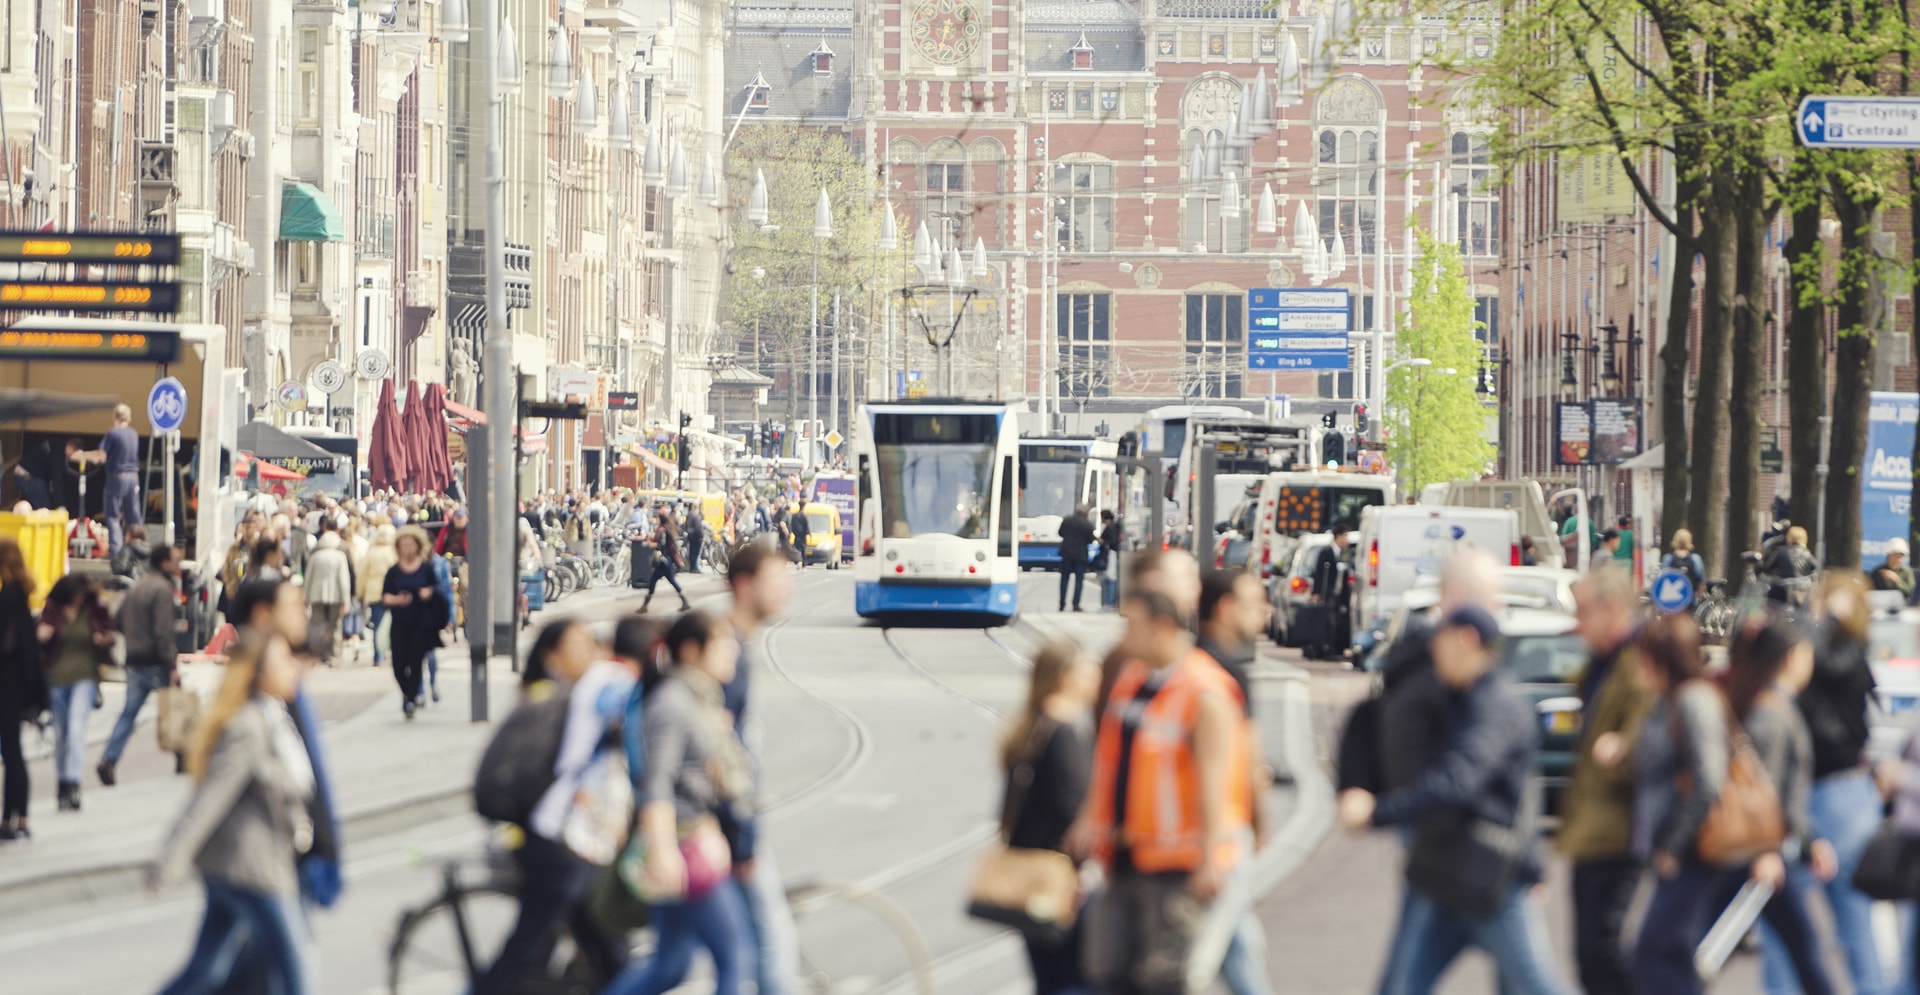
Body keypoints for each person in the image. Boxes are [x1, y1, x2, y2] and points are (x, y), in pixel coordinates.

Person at [1337, 605, 1573, 995]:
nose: (1434, 654)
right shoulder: (1467, 699)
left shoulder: (1497, 706)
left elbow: (1458, 781)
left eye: (1440, 643)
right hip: (1448, 870)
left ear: (1466, 640)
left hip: (1490, 879)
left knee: (1534, 987)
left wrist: (1377, 813)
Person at [1067, 563, 1248, 995]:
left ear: (1163, 627)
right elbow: (1110, 757)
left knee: (1164, 979)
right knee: (1107, 970)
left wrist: (1208, 857)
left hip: (1176, 865)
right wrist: (1089, 817)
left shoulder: (1205, 691)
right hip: (1124, 853)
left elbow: (1215, 781)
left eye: (1132, 625)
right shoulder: (1132, 679)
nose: (1124, 636)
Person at [150, 630, 317, 995]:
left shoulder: (276, 719)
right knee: (297, 968)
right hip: (251, 870)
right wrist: (169, 860)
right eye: (282, 662)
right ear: (259, 675)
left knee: (206, 971)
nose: (293, 668)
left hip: (243, 866)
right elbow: (209, 798)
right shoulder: (248, 727)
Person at [602, 612, 758, 995]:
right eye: (721, 644)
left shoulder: (696, 698)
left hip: (686, 839)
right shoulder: (674, 704)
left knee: (670, 966)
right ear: (691, 651)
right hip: (683, 844)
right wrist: (663, 850)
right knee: (736, 956)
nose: (732, 652)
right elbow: (657, 783)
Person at [477, 619, 633, 993]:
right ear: (552, 656)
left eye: (590, 646)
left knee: (598, 942)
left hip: (559, 837)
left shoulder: (569, 696)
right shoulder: (552, 700)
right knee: (533, 944)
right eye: (577, 647)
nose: (589, 654)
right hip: (550, 836)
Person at [1766, 571, 1899, 995]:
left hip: (1833, 793)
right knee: (1831, 921)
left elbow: (1823, 665)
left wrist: (1826, 621)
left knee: (1803, 919)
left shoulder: (1843, 654)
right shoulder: (1839, 651)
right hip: (1835, 791)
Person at [1627, 613, 1750, 994]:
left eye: (1644, 657)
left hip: (1696, 850)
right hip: (1681, 848)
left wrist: (1673, 846)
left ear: (1662, 658)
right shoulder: (1666, 701)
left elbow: (1708, 780)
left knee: (1653, 952)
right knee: (1673, 952)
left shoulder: (1695, 700)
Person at [1722, 618, 1839, 995]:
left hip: (1767, 852)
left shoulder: (1768, 706)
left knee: (1803, 950)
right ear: (1791, 659)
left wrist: (1808, 842)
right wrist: (1768, 850)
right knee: (1806, 952)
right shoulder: (1771, 715)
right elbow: (1766, 792)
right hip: (1764, 854)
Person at [1557, 565, 1654, 995]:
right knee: (1591, 955)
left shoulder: (1637, 666)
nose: (1576, 626)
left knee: (1602, 952)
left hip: (1619, 831)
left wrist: (1619, 752)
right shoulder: (1604, 664)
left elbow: (1647, 742)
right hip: (1595, 830)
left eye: (1583, 613)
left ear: (1612, 609)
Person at [720, 542, 800, 995]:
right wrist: (742, 837)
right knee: (770, 941)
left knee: (679, 956)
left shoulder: (732, 645)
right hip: (722, 826)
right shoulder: (726, 652)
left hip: (714, 825)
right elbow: (725, 750)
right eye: (776, 582)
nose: (785, 591)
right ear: (745, 586)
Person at [1194, 569, 1276, 995]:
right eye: (1254, 602)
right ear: (1226, 609)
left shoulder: (1189, 664)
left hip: (1204, 827)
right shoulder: (1229, 675)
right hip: (1225, 830)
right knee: (1197, 960)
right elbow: (1248, 757)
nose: (1265, 611)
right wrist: (1260, 821)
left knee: (1240, 944)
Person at [1000, 642, 1098, 994]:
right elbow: (1072, 807)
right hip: (1057, 877)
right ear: (1067, 679)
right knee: (1074, 978)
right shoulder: (1065, 732)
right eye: (1090, 673)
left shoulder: (1032, 727)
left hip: (1027, 874)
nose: (1096, 680)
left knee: (1047, 978)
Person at [98, 544, 183, 786]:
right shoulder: (162, 590)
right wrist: (172, 664)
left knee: (128, 713)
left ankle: (108, 759)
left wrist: (135, 638)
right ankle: (183, 756)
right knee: (173, 709)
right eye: (175, 560)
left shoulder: (137, 587)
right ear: (164, 563)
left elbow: (118, 619)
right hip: (156, 661)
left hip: (135, 659)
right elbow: (164, 632)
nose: (178, 566)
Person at [41, 574, 112, 811]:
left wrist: (103, 639)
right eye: (74, 596)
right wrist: (42, 634)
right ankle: (62, 784)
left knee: (76, 729)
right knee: (60, 735)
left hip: (85, 677)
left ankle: (73, 784)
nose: (78, 600)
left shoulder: (94, 607)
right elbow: (40, 636)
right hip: (57, 678)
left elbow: (110, 634)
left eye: (81, 596)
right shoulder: (53, 609)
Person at [0, 538, 38, 840]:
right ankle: (17, 817)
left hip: (6, 684)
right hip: (18, 684)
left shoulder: (8, 595)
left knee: (10, 751)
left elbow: (8, 642)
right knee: (14, 751)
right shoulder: (21, 594)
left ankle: (11, 819)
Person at [381, 526, 440, 719]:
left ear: (418, 546)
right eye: (403, 545)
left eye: (411, 544)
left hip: (420, 623)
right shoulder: (394, 572)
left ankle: (411, 698)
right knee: (398, 664)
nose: (407, 548)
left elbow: (437, 591)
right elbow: (384, 597)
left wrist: (428, 593)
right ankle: (407, 693)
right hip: (399, 623)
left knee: (415, 661)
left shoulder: (426, 569)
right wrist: (398, 600)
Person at [69, 403, 141, 557]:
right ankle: (138, 550)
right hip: (133, 478)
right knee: (133, 516)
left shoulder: (113, 433)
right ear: (129, 418)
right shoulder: (134, 434)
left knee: (113, 516)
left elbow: (100, 457)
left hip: (117, 477)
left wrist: (81, 455)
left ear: (115, 417)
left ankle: (116, 554)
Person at [303, 530, 353, 667]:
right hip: (336, 596)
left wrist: (305, 598)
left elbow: (308, 578)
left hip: (316, 595)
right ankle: (334, 655)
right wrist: (346, 600)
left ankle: (319, 654)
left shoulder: (315, 557)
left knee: (318, 625)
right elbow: (344, 580)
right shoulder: (340, 556)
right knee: (335, 626)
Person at [1309, 527, 1352, 658]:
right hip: (1328, 592)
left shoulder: (1344, 553)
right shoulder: (1326, 552)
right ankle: (1325, 648)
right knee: (1327, 620)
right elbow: (1319, 573)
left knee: (1338, 620)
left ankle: (1335, 648)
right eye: (1345, 536)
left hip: (1340, 593)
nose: (1347, 539)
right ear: (1338, 536)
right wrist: (1317, 592)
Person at [361, 523, 398, 666]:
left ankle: (378, 657)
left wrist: (361, 593)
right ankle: (392, 651)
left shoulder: (372, 552)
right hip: (393, 593)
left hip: (374, 592)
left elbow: (363, 574)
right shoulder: (395, 551)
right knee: (393, 624)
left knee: (377, 624)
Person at [642, 511, 691, 612]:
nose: (656, 520)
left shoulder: (662, 530)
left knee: (655, 581)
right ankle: (685, 601)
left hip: (663, 561)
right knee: (658, 581)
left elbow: (660, 545)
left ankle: (645, 606)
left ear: (661, 519)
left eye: (657, 518)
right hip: (666, 560)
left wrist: (649, 543)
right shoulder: (665, 529)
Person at [1762, 526, 1818, 608]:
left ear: (1789, 537)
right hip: (1801, 591)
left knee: (1771, 607)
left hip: (1781, 590)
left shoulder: (1780, 552)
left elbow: (1767, 568)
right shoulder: (1807, 554)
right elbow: (1816, 568)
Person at [1058, 504, 1096, 612]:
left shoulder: (1067, 520)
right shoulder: (1087, 524)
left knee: (1064, 580)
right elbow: (1090, 539)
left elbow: (1060, 533)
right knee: (1079, 581)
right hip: (1080, 555)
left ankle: (1062, 603)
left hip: (1067, 554)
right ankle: (1075, 604)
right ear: (1086, 512)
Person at [1662, 529, 1708, 594]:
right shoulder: (1696, 558)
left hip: (1671, 598)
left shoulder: (1667, 558)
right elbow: (1701, 581)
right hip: (1690, 597)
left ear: (1675, 541)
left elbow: (1663, 579)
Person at [1098, 509, 1124, 608]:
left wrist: (1102, 542)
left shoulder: (1110, 527)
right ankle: (1109, 601)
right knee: (1110, 577)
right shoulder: (1114, 526)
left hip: (1111, 554)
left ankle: (1110, 602)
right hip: (1112, 553)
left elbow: (1111, 541)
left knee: (1110, 577)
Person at [788, 501, 811, 569]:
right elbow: (807, 525)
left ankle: (798, 560)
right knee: (803, 548)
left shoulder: (794, 515)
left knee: (797, 548)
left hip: (796, 535)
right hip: (802, 535)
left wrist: (793, 531)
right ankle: (803, 561)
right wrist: (809, 533)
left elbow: (792, 525)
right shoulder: (804, 515)